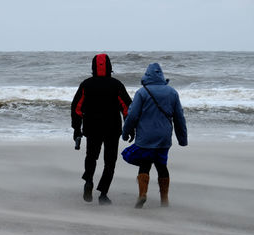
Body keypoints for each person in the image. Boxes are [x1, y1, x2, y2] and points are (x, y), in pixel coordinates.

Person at [122, 63, 188, 208]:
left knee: (145, 164)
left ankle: (142, 195)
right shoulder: (172, 92)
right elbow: (179, 117)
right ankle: (164, 199)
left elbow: (132, 115)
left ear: (147, 75)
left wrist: (126, 132)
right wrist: (182, 138)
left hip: (145, 137)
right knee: (161, 165)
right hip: (164, 137)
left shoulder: (142, 92)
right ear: (161, 75)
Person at [71, 54, 132, 205]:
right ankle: (103, 194)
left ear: (93, 67)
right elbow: (127, 108)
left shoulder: (86, 84)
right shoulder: (116, 84)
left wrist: (76, 129)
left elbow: (76, 108)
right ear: (110, 67)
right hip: (112, 129)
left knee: (91, 157)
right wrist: (130, 128)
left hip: (92, 128)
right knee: (110, 162)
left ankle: (89, 181)